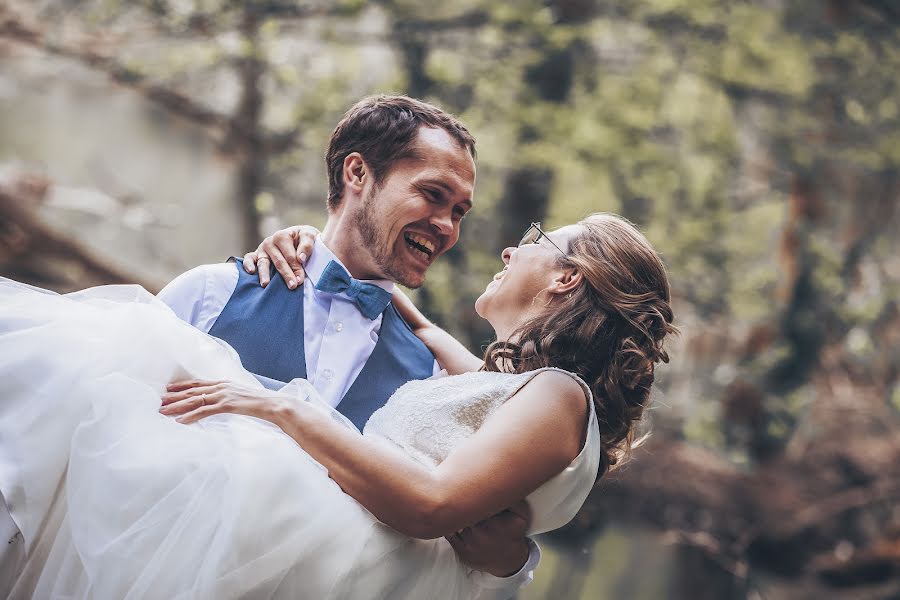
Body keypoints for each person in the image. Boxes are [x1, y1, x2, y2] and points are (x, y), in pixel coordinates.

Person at [0, 213, 675, 599]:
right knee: (124, 371)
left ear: (565, 277)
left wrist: (287, 414)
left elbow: (434, 505)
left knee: (131, 365)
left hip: (361, 559)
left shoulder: (560, 398)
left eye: (535, 238)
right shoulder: (516, 389)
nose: (509, 247)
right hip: (352, 545)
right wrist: (320, 244)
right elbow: (420, 328)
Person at [154, 94, 541, 593]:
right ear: (357, 173)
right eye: (433, 194)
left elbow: (460, 552)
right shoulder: (210, 294)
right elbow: (104, 429)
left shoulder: (430, 382)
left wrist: (514, 562)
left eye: (459, 211)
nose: (447, 227)